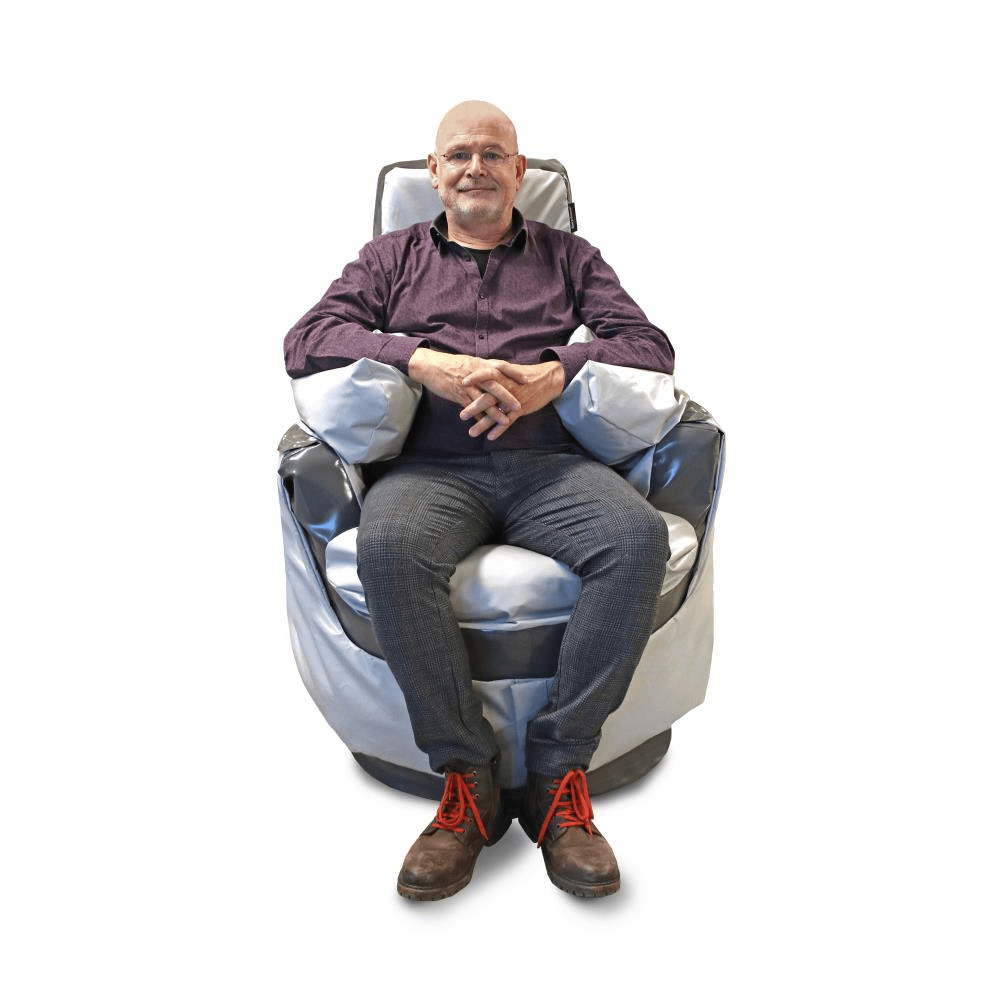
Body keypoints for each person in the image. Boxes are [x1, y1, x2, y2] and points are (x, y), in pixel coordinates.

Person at [284, 101, 676, 900]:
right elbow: (307, 338)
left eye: (493, 154)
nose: (476, 167)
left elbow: (650, 346)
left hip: (549, 466)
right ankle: (467, 778)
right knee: (389, 546)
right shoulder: (389, 259)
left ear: (519, 172)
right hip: (431, 469)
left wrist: (555, 373)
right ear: (433, 173)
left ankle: (560, 774)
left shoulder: (569, 257)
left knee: (636, 538)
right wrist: (421, 360)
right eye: (459, 154)